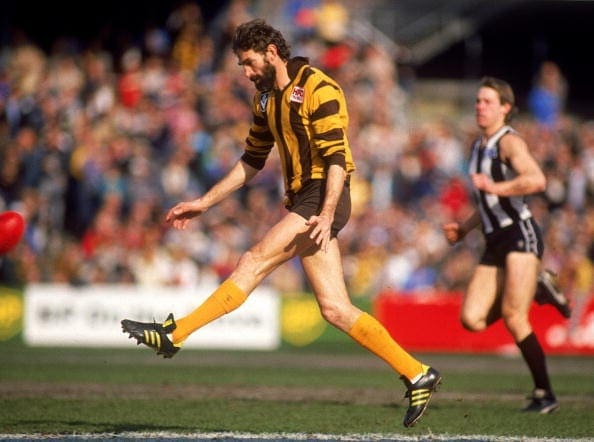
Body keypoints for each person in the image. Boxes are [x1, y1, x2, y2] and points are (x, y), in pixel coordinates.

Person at [121, 18, 440, 428]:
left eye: (249, 63)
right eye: (241, 65)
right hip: (306, 200)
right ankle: (417, 373)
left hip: (324, 194)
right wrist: (204, 202)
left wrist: (325, 214)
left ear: (272, 52)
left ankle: (176, 333)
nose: (246, 72)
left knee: (253, 259)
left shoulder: (319, 88)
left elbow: (338, 158)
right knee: (336, 309)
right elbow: (251, 161)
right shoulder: (265, 100)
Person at [442, 76, 570, 414]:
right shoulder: (478, 146)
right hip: (493, 238)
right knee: (472, 319)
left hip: (519, 233)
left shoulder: (508, 142)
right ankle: (537, 289)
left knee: (515, 316)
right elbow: (485, 200)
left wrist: (497, 188)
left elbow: (536, 179)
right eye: (478, 101)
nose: (479, 106)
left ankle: (545, 393)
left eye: (487, 101)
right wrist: (465, 228)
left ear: (505, 108)